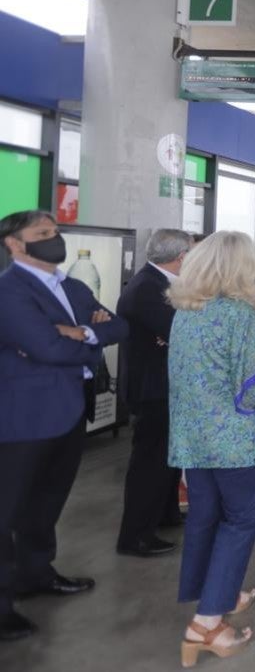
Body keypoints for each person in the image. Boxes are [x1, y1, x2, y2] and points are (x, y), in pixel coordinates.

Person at [0, 210, 129, 642]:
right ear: (15, 245)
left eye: (55, 232)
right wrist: (82, 338)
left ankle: (36, 574)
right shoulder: (10, 291)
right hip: (23, 420)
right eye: (42, 234)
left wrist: (79, 335)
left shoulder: (72, 285)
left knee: (47, 503)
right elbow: (47, 348)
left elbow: (118, 326)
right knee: (7, 511)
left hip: (69, 412)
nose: (53, 239)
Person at [167, 231, 255, 666]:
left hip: (195, 441)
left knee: (206, 518)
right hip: (236, 443)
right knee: (242, 519)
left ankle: (220, 591)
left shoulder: (186, 312)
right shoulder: (239, 317)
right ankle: (206, 624)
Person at [116, 228, 194, 559]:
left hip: (167, 384)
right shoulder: (147, 288)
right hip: (153, 388)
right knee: (150, 462)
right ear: (180, 257)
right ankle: (136, 536)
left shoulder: (163, 283)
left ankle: (165, 514)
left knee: (169, 457)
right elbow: (181, 329)